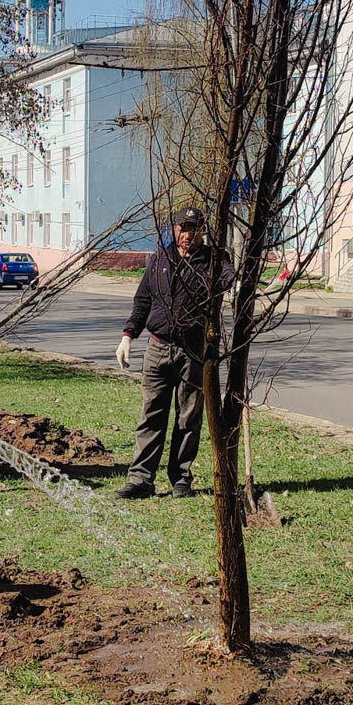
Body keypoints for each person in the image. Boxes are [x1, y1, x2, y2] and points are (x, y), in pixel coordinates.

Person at [113, 207, 231, 499]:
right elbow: (142, 301)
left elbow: (228, 276)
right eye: (182, 227)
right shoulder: (159, 260)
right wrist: (128, 335)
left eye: (193, 228)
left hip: (192, 350)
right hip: (156, 348)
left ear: (203, 230)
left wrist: (239, 284)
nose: (187, 234)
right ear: (174, 229)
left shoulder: (213, 260)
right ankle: (141, 480)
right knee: (151, 414)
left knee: (188, 418)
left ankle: (181, 479)